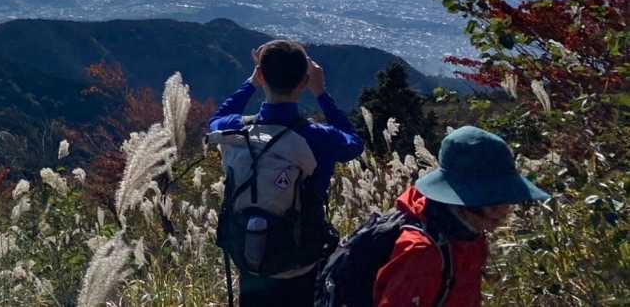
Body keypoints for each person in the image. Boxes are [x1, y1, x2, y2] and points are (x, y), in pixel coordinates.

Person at [209, 40, 366, 306]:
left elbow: (215, 120)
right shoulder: (317, 136)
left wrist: (251, 82)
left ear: (262, 76)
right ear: (304, 82)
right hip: (302, 264)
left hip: (250, 262)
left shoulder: (237, 130)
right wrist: (321, 93)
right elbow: (354, 143)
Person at [373, 125, 549, 306]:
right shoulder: (422, 252)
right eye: (494, 202)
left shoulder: (470, 233)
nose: (505, 211)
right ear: (464, 201)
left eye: (507, 198)